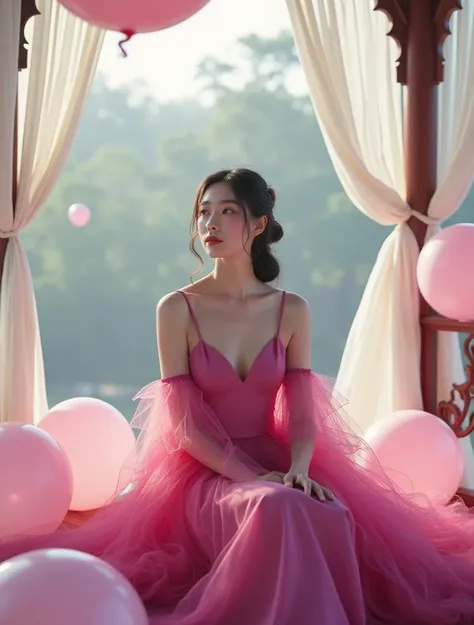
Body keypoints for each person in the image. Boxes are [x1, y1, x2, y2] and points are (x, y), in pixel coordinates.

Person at [3, 167, 474, 625]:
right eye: (204, 212)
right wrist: (251, 477)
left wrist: (298, 471)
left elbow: (306, 417)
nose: (210, 223)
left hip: (278, 459)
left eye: (226, 211)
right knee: (272, 505)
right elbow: (186, 427)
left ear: (258, 223)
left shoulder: (291, 309)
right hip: (205, 471)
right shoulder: (177, 308)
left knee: (328, 508)